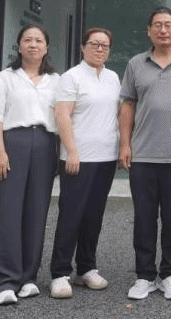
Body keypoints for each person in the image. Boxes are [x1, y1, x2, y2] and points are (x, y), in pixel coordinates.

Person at [119, 8, 171, 301]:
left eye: (168, 25)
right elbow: (127, 104)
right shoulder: (136, 64)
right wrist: (125, 144)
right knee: (143, 218)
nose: (163, 30)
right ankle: (144, 276)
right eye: (157, 25)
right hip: (142, 154)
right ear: (149, 31)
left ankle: (170, 275)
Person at [0, 25, 59, 306]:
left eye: (39, 40)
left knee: (36, 212)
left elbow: (64, 117)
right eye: (27, 40)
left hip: (45, 144)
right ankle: (4, 281)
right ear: (19, 46)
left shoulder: (56, 80)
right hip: (12, 143)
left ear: (46, 47)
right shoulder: (5, 78)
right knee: (8, 212)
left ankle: (28, 277)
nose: (33, 44)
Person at [48, 28, 120, 299]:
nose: (100, 49)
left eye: (105, 45)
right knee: (71, 215)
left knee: (93, 216)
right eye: (94, 44)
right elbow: (62, 116)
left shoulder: (113, 78)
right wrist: (72, 151)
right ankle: (60, 273)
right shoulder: (71, 77)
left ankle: (86, 268)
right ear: (82, 47)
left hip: (106, 157)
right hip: (78, 157)